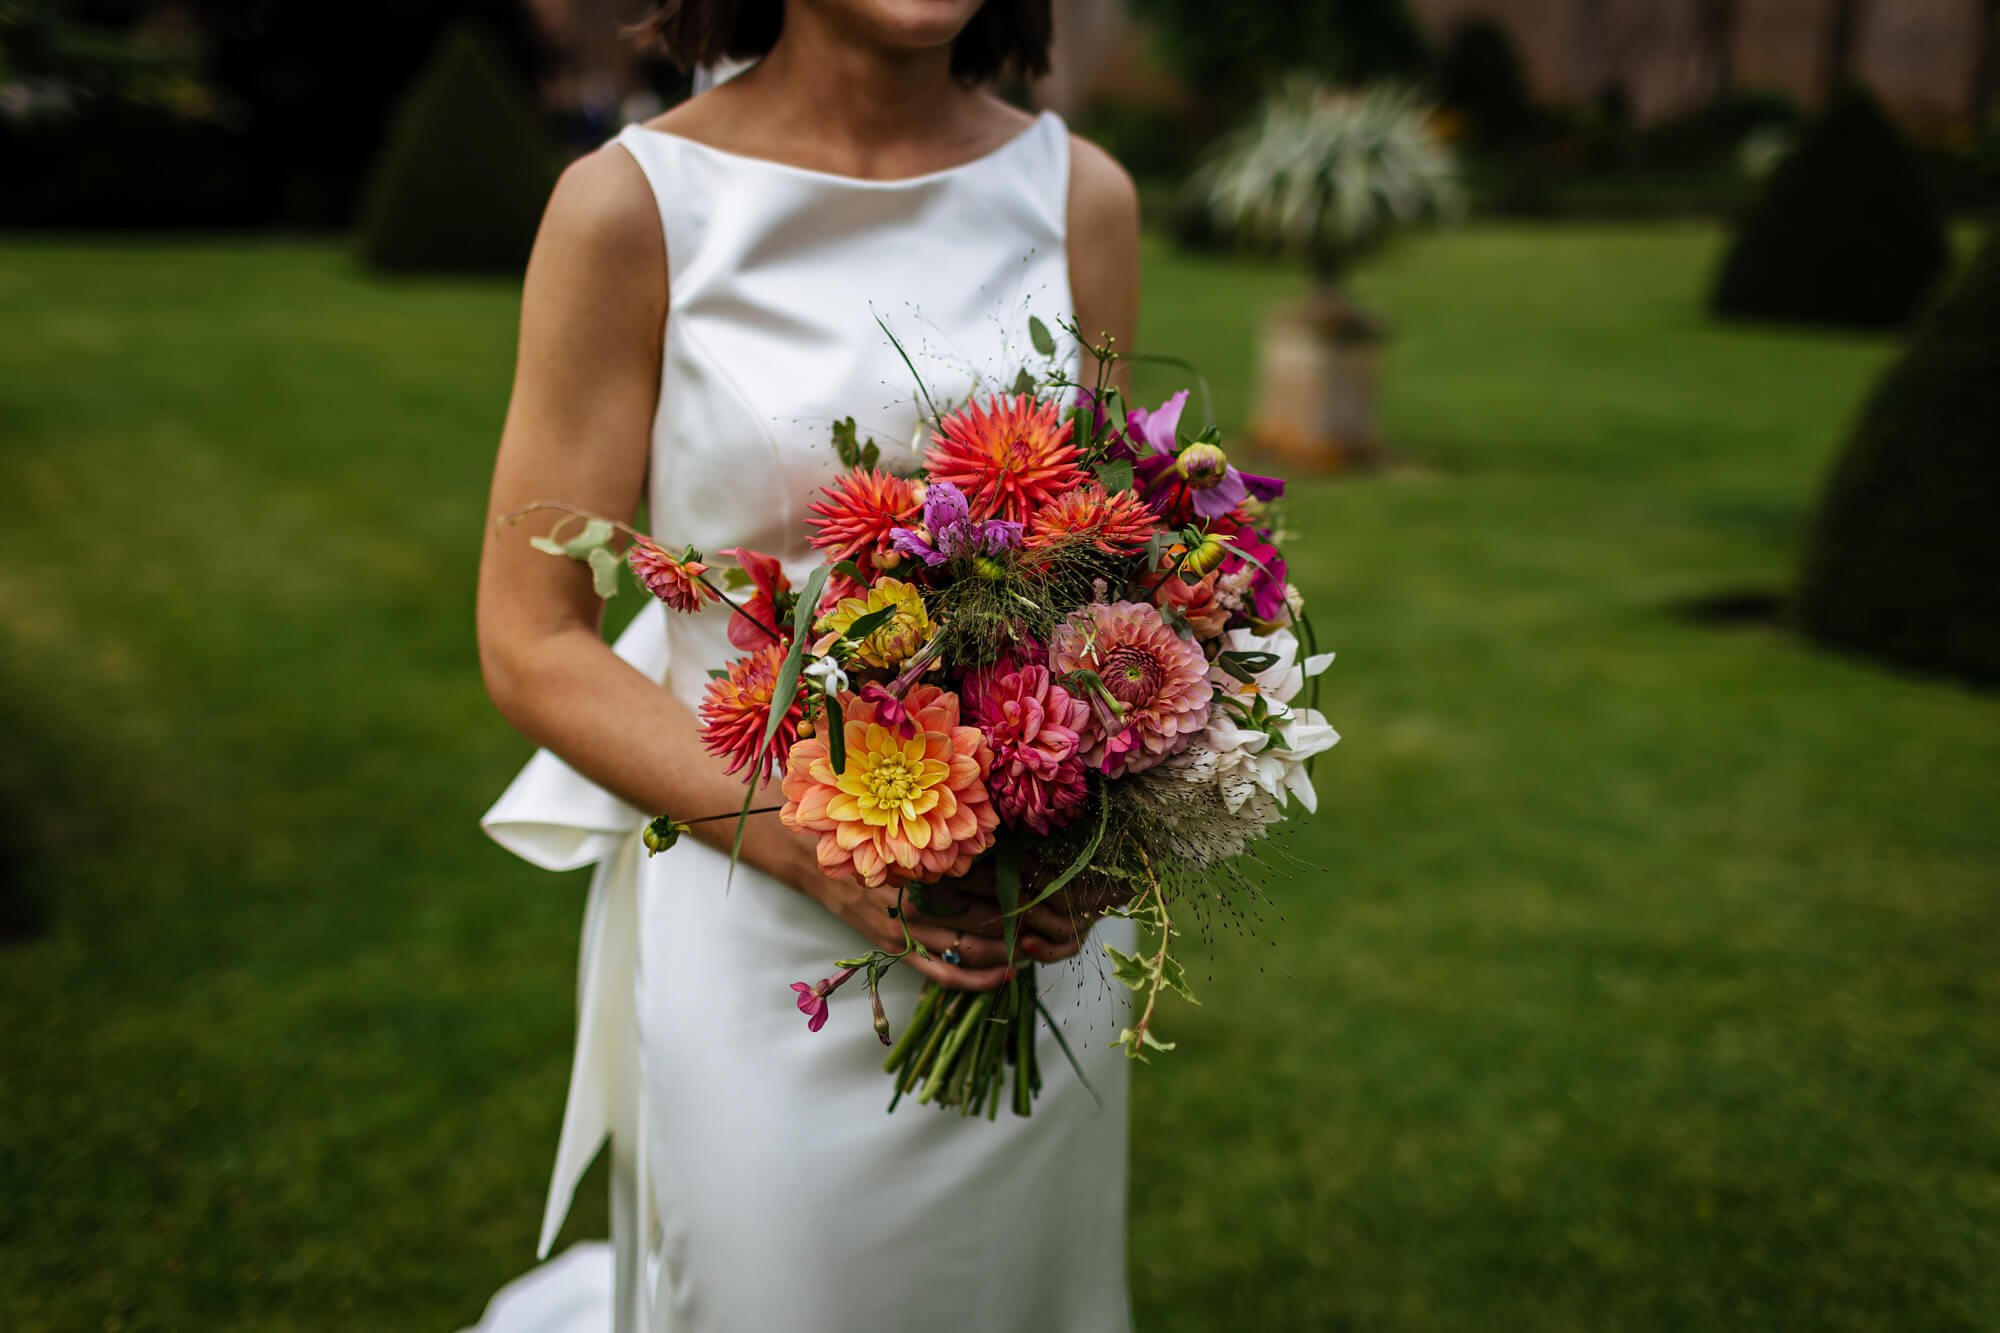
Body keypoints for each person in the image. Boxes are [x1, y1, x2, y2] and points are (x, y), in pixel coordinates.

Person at [468, 1, 1143, 1328]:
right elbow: (530, 635)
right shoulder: (631, 207)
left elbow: (1106, 563)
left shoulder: (1081, 195)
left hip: (1028, 931)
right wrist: (804, 844)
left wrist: (1100, 814)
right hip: (761, 921)